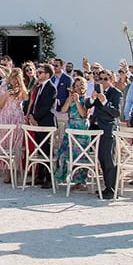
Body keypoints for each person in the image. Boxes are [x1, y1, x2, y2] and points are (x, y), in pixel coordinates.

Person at [86, 69, 122, 200]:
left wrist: (105, 102)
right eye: (100, 79)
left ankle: (112, 189)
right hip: (97, 127)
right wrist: (92, 97)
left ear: (111, 80)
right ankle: (107, 186)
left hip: (108, 128)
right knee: (101, 158)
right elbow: (88, 105)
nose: (102, 81)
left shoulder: (116, 93)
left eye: (106, 79)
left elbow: (116, 113)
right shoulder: (99, 91)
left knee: (108, 159)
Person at [54, 76, 90, 189]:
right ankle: (63, 176)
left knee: (81, 155)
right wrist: (69, 101)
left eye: (81, 86)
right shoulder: (70, 98)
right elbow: (63, 110)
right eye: (76, 86)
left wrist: (78, 102)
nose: (78, 88)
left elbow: (83, 114)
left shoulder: (87, 100)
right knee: (64, 153)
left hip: (81, 127)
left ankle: (80, 181)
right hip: (70, 125)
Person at [26, 63, 57, 189]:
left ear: (47, 74)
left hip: (46, 122)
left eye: (40, 72)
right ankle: (40, 176)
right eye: (37, 72)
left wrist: (35, 117)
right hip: (37, 121)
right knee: (39, 149)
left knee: (46, 150)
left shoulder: (51, 87)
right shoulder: (38, 87)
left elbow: (46, 106)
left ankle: (49, 179)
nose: (38, 74)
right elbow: (35, 103)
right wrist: (31, 115)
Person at [0, 68, 28, 183]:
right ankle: (6, 170)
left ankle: (16, 168)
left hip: (17, 117)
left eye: (17, 77)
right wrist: (6, 95)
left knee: (17, 143)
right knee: (5, 143)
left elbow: (26, 98)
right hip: (6, 116)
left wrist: (21, 84)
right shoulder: (4, 86)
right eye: (13, 77)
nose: (14, 80)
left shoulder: (21, 88)